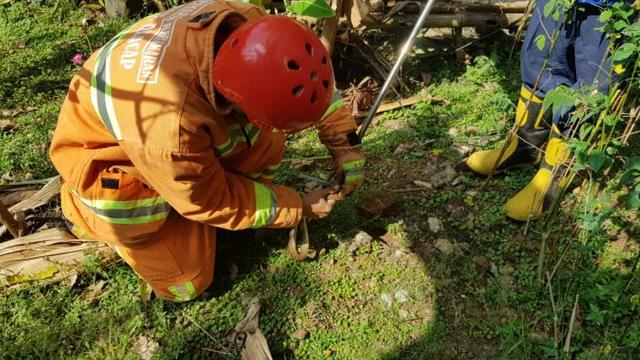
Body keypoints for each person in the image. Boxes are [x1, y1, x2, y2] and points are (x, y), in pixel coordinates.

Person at [49, 0, 365, 301]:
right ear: (231, 102)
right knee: (187, 282)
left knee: (266, 142)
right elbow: (208, 200)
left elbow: (305, 80)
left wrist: (344, 143)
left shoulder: (253, 26)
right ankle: (83, 213)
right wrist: (297, 206)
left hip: (171, 138)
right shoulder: (169, 126)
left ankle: (218, 199)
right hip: (111, 164)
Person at [465, 0, 619, 221]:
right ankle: (525, 147)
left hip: (608, 7)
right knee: (539, 60)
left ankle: (555, 169)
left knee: (590, 84)